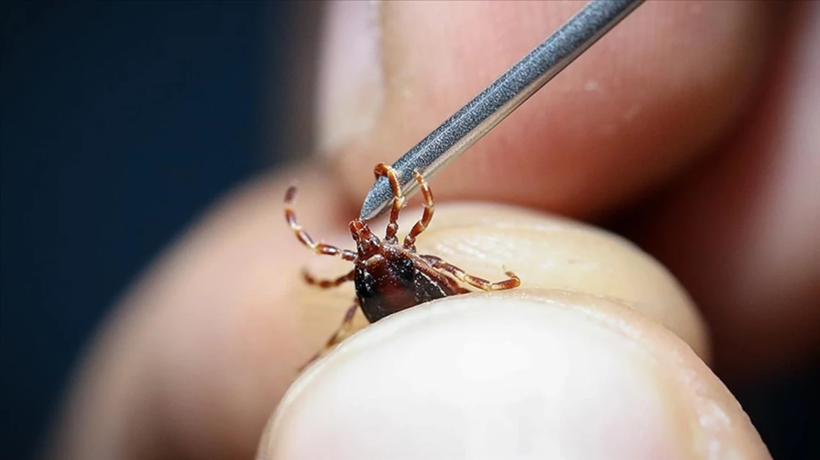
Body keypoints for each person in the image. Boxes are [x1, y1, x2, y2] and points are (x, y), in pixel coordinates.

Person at [49, 2, 818, 459]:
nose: (371, 247)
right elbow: (363, 256)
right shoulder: (384, 259)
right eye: (370, 248)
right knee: (443, 279)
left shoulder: (371, 263)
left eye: (372, 245)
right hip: (405, 303)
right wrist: (408, 198)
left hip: (399, 305)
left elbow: (342, 261)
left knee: (440, 281)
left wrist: (397, 207)